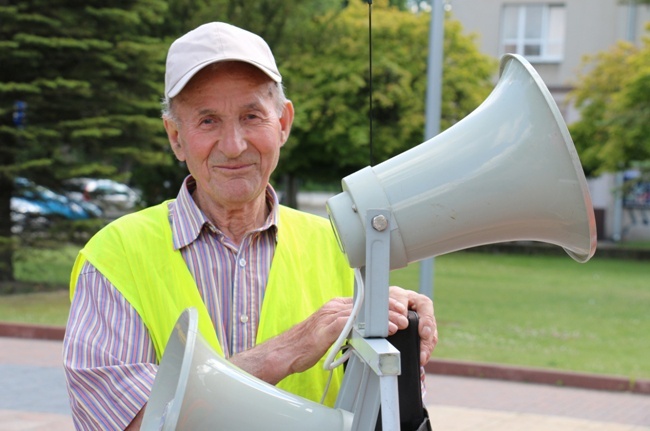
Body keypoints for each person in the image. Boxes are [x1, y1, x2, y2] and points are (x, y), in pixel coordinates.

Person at [63, 22, 438, 430]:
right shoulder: (114, 257)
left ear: (283, 123)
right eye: (208, 121)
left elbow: (384, 413)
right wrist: (284, 352)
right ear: (175, 137)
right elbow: (130, 423)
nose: (234, 144)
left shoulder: (345, 247)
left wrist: (401, 335)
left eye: (251, 115)